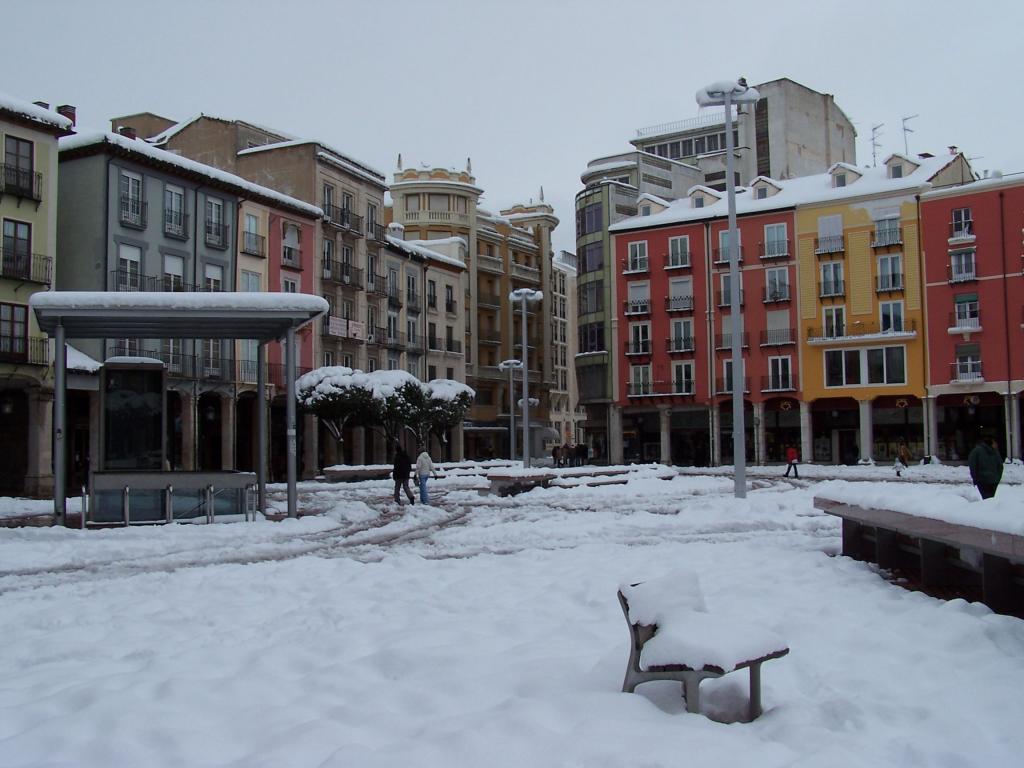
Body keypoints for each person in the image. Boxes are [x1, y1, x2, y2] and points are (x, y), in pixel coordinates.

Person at [968, 433, 1003, 500]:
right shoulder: (995, 452)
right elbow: (1000, 466)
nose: (997, 445)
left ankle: (988, 509)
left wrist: (975, 479)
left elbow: (973, 466)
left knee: (986, 499)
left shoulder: (976, 451)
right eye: (995, 443)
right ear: (991, 443)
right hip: (994, 480)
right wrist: (998, 477)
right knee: (991, 498)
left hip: (982, 480)